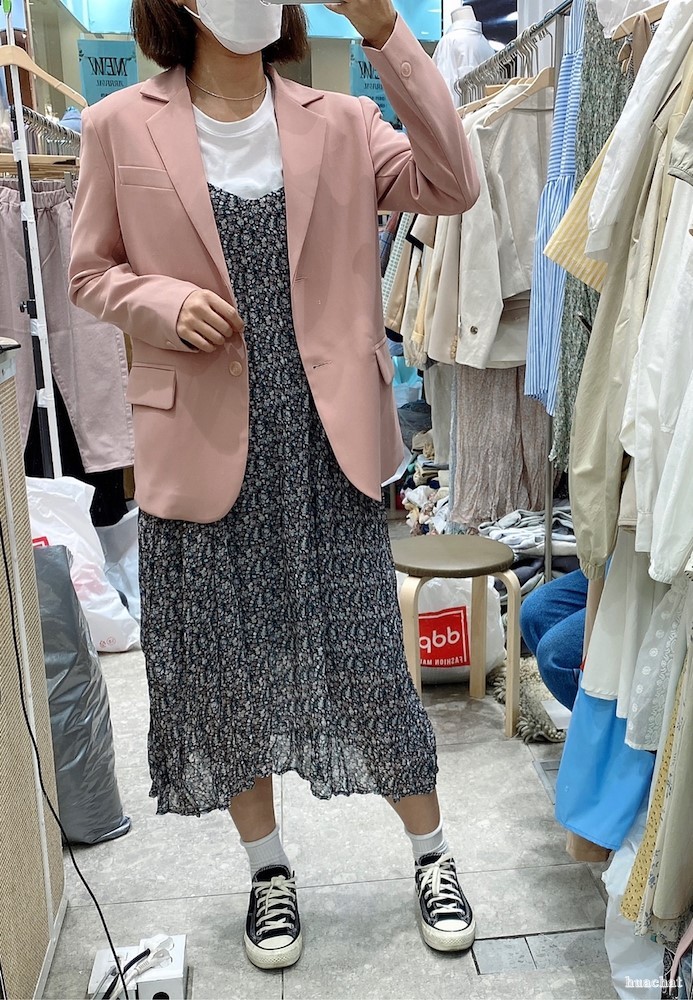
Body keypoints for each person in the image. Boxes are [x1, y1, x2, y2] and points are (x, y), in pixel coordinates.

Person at [69, 0, 480, 972]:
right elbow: (89, 270)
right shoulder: (117, 123)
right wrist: (159, 301)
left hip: (325, 447)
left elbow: (454, 182)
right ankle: (268, 872)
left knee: (370, 666)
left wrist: (386, 32)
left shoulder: (341, 120)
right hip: (198, 444)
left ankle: (432, 852)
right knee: (222, 676)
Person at [520, 570, 588, 710]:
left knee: (553, 655)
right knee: (533, 614)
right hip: (610, 569)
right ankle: (585, 712)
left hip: (633, 584)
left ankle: (594, 719)